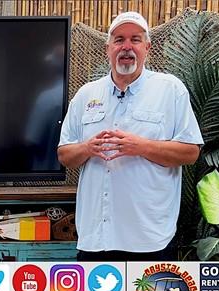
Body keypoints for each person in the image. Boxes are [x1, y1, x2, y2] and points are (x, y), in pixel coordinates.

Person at [57, 12, 204, 261]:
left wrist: (141, 146)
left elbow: (190, 152)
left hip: (149, 239)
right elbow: (64, 154)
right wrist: (87, 148)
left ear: (147, 47)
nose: (126, 47)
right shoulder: (86, 94)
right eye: (119, 40)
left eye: (135, 39)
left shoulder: (170, 90)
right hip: (96, 239)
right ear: (108, 48)